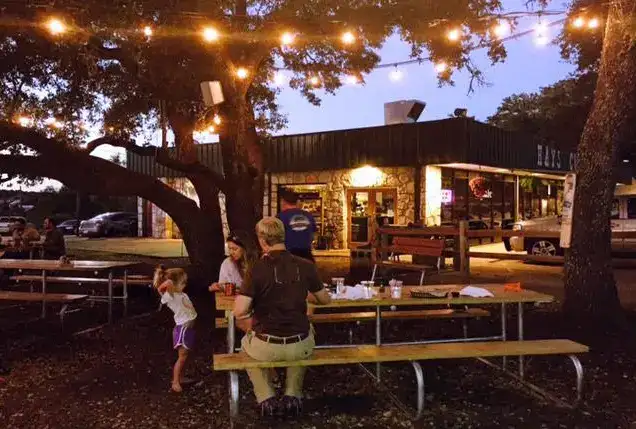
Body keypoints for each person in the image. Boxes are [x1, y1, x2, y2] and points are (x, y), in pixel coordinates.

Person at [233, 217, 331, 417]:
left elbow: (239, 311)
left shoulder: (256, 269)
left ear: (262, 241)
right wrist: (303, 292)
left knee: (245, 345)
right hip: (299, 345)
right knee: (306, 331)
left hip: (266, 346)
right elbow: (325, 300)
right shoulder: (305, 265)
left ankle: (266, 397)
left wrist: (254, 311)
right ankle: (292, 395)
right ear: (283, 236)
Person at [154, 265, 197, 393]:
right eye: (183, 283)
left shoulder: (180, 294)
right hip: (182, 330)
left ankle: (181, 377)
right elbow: (160, 288)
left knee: (186, 355)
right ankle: (175, 381)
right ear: (173, 284)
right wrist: (169, 282)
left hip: (188, 329)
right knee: (182, 357)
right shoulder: (171, 297)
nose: (185, 285)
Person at [277, 189, 317, 263]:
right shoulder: (308, 215)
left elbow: (276, 237)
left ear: (283, 202)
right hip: (307, 254)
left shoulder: (280, 217)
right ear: (296, 202)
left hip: (289, 255)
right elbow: (314, 233)